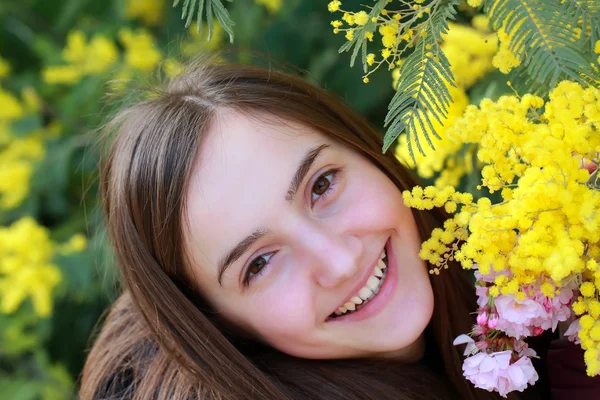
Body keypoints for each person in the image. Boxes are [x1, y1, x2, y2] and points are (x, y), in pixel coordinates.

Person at [79, 53, 547, 400]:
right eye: (258, 264)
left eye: (321, 186)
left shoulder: (527, 269)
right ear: (218, 327)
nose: (340, 262)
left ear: (366, 150)